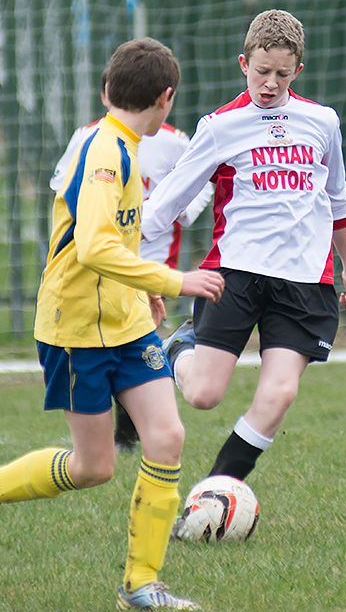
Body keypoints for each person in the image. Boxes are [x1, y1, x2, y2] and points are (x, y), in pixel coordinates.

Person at [0, 38, 225, 611]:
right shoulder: (106, 156)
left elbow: (116, 243)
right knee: (93, 467)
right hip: (75, 331)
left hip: (123, 322)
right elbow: (97, 246)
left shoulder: (120, 143)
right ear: (166, 99)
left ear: (107, 90)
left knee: (167, 436)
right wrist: (173, 281)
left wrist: (141, 291)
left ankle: (141, 586)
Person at [140, 9, 346, 538]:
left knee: (279, 395)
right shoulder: (220, 127)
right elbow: (165, 204)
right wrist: (123, 254)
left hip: (306, 283)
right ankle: (180, 347)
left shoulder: (323, 121)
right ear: (244, 63)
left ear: (298, 72)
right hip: (235, 276)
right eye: (261, 71)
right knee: (203, 396)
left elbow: (337, 201)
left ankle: (210, 502)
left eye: (282, 75)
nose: (269, 84)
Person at [51, 73, 214, 452]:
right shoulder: (88, 140)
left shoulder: (173, 142)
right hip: (98, 268)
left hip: (150, 262)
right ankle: (122, 433)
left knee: (140, 341)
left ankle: (128, 433)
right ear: (105, 93)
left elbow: (202, 181)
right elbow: (65, 195)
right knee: (117, 344)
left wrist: (172, 212)